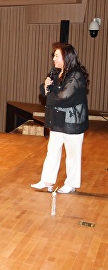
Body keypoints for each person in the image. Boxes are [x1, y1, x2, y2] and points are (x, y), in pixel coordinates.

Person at [31, 43, 89, 194]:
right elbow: (44, 90)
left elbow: (64, 96)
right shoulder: (56, 72)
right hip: (57, 118)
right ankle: (47, 180)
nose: (54, 59)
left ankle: (71, 184)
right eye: (54, 55)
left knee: (72, 155)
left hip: (72, 121)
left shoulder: (76, 75)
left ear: (66, 57)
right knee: (52, 151)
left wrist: (49, 93)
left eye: (57, 55)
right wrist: (45, 86)